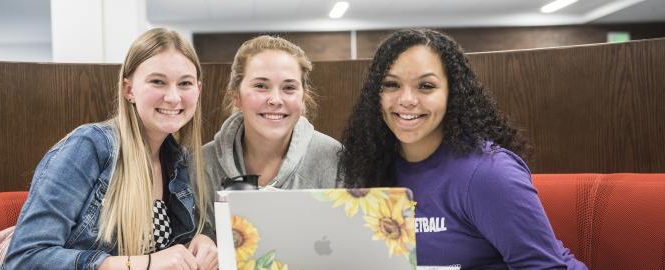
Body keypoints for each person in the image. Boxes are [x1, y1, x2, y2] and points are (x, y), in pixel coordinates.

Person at [338, 29, 587, 269]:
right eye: (391, 85)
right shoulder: (371, 167)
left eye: (426, 86)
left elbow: (544, 267)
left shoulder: (489, 173)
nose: (407, 99)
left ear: (452, 93)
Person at [3, 28, 218, 270]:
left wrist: (198, 243)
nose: (173, 97)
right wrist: (143, 264)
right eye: (157, 81)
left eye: (185, 83)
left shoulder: (179, 162)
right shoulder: (90, 146)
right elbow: (24, 260)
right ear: (129, 90)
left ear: (198, 90)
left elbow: (167, 255)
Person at [202, 35, 341, 191]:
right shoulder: (202, 165)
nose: (275, 100)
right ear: (236, 96)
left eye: (289, 88)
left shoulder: (336, 159)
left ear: (303, 98)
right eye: (261, 86)